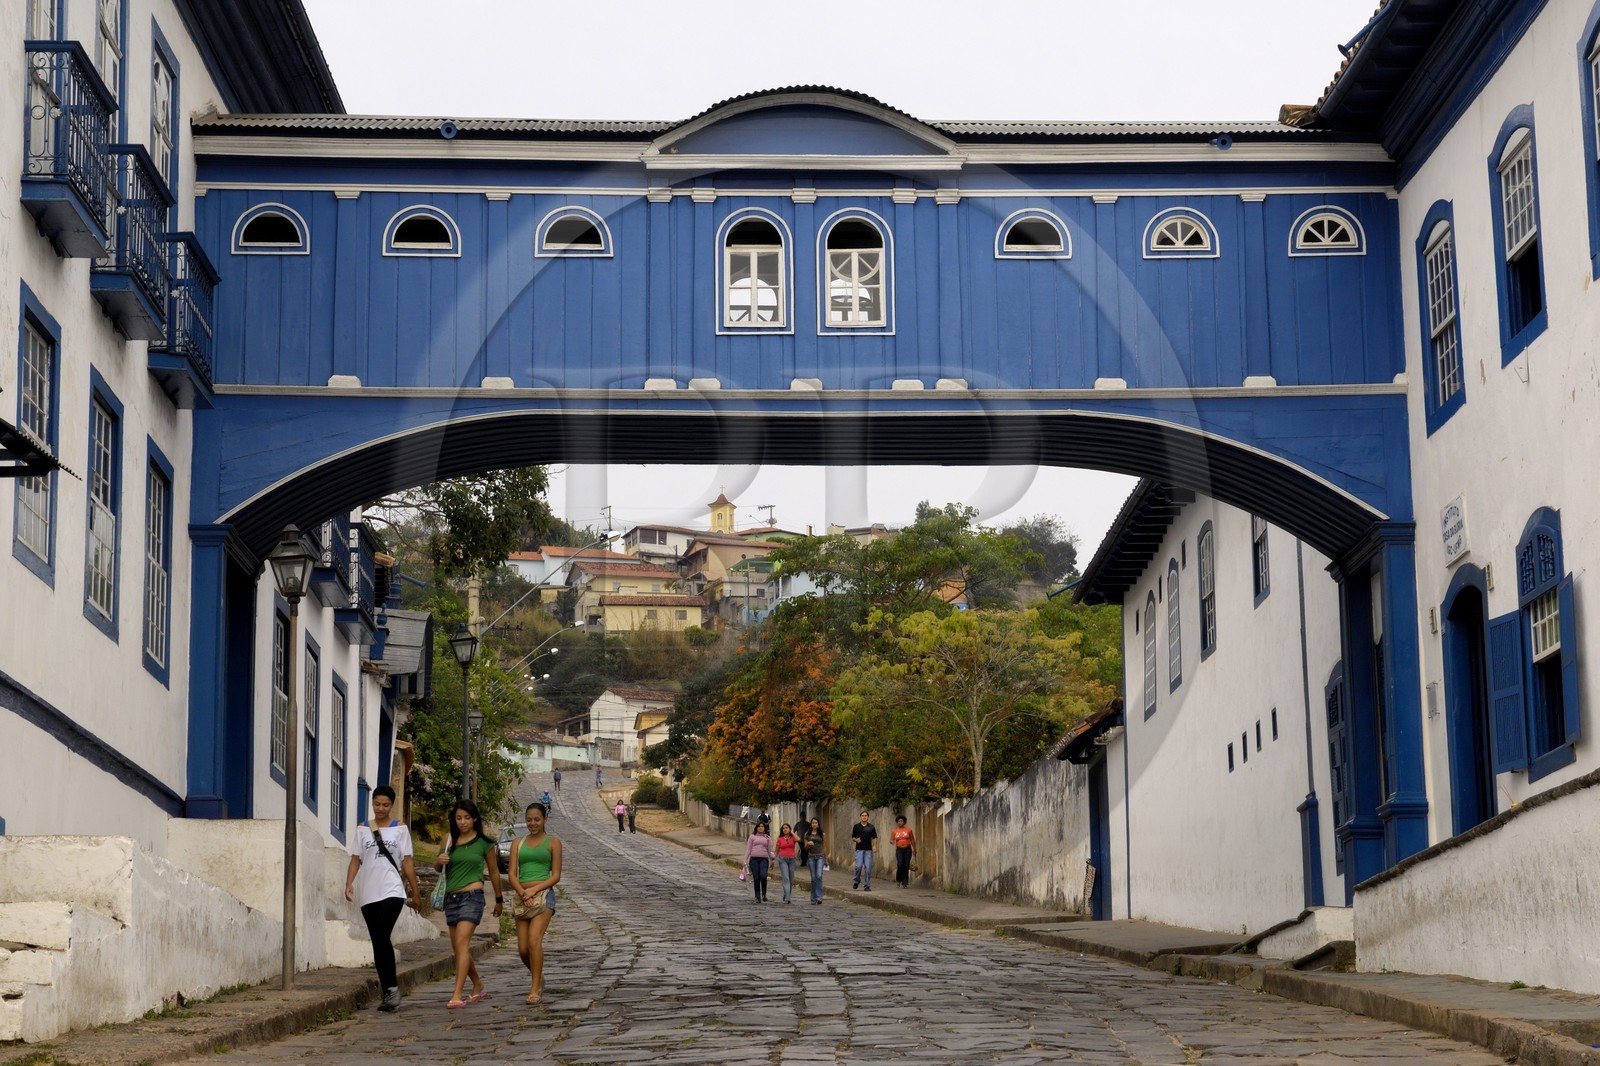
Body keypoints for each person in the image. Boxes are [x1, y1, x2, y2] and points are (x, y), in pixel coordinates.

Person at [343, 785, 422, 1012]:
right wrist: (349, 883)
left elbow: (406, 861)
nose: (380, 808)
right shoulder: (362, 829)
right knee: (378, 941)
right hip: (369, 892)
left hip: (392, 890)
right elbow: (356, 859)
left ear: (392, 805)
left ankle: (392, 990)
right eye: (377, 804)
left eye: (385, 804)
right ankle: (389, 991)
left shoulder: (400, 829)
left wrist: (415, 892)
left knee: (381, 934)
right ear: (372, 804)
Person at [434, 799, 504, 1009]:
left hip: (472, 897)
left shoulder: (484, 842)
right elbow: (437, 868)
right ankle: (478, 984)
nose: (462, 822)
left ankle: (457, 994)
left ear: (474, 819)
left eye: (466, 818)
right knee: (458, 948)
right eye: (458, 818)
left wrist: (499, 899)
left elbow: (493, 871)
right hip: (451, 899)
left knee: (462, 944)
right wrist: (440, 861)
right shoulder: (448, 840)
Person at [507, 801, 562, 1005]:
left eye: (537, 819)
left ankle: (534, 988)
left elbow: (555, 875)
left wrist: (534, 890)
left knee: (533, 941)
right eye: (529, 819)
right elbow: (511, 874)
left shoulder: (553, 843)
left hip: (543, 895)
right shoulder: (517, 843)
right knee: (522, 949)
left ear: (544, 820)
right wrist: (523, 892)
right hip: (522, 897)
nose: (533, 823)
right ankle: (539, 976)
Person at [743, 820, 774, 903]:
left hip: (764, 859)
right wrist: (745, 860)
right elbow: (748, 849)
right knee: (756, 877)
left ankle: (764, 894)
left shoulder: (767, 838)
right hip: (754, 860)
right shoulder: (752, 837)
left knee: (763, 876)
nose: (760, 828)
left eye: (762, 826)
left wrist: (772, 860)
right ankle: (757, 896)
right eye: (759, 826)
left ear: (765, 828)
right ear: (756, 828)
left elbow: (770, 850)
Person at [850, 811, 878, 891]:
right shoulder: (856, 826)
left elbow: (875, 837)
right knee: (858, 867)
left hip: (868, 850)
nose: (864, 817)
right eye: (863, 815)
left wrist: (875, 845)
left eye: (866, 815)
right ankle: (857, 880)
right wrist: (856, 840)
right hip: (859, 850)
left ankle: (867, 885)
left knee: (868, 868)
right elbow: (853, 838)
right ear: (860, 817)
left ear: (868, 817)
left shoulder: (871, 827)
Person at [773, 823, 799, 904]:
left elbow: (798, 839)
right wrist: (772, 861)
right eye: (783, 828)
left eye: (787, 828)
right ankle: (788, 898)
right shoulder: (780, 839)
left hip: (792, 860)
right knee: (786, 878)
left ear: (789, 829)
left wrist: (792, 833)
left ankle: (786, 895)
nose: (785, 829)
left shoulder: (792, 838)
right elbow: (776, 851)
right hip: (782, 859)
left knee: (791, 879)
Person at [802, 817, 825, 905]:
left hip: (820, 856)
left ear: (818, 824)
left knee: (819, 876)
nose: (814, 824)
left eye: (816, 822)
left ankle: (819, 897)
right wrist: (808, 843)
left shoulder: (822, 834)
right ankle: (813, 898)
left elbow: (824, 846)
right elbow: (805, 848)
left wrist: (825, 858)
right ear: (811, 824)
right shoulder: (807, 834)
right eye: (813, 823)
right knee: (813, 878)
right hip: (811, 857)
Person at [891, 814, 916, 888]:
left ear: (904, 822)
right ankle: (898, 879)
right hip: (899, 850)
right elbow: (891, 839)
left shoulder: (909, 830)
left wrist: (914, 849)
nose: (900, 822)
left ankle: (905, 883)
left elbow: (912, 840)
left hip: (907, 849)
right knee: (900, 864)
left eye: (901, 821)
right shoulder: (894, 831)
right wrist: (892, 842)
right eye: (898, 821)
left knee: (906, 865)